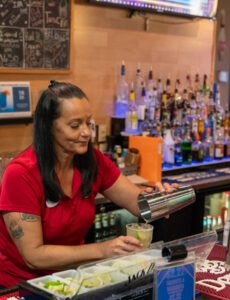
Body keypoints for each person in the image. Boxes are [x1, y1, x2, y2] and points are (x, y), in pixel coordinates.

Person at [0, 81, 174, 287]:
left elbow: (138, 203)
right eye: (75, 125)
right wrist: (103, 250)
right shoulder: (21, 174)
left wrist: (165, 200)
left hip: (73, 279)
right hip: (21, 285)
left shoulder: (92, 160)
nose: (86, 132)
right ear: (48, 127)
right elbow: (34, 256)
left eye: (88, 123)